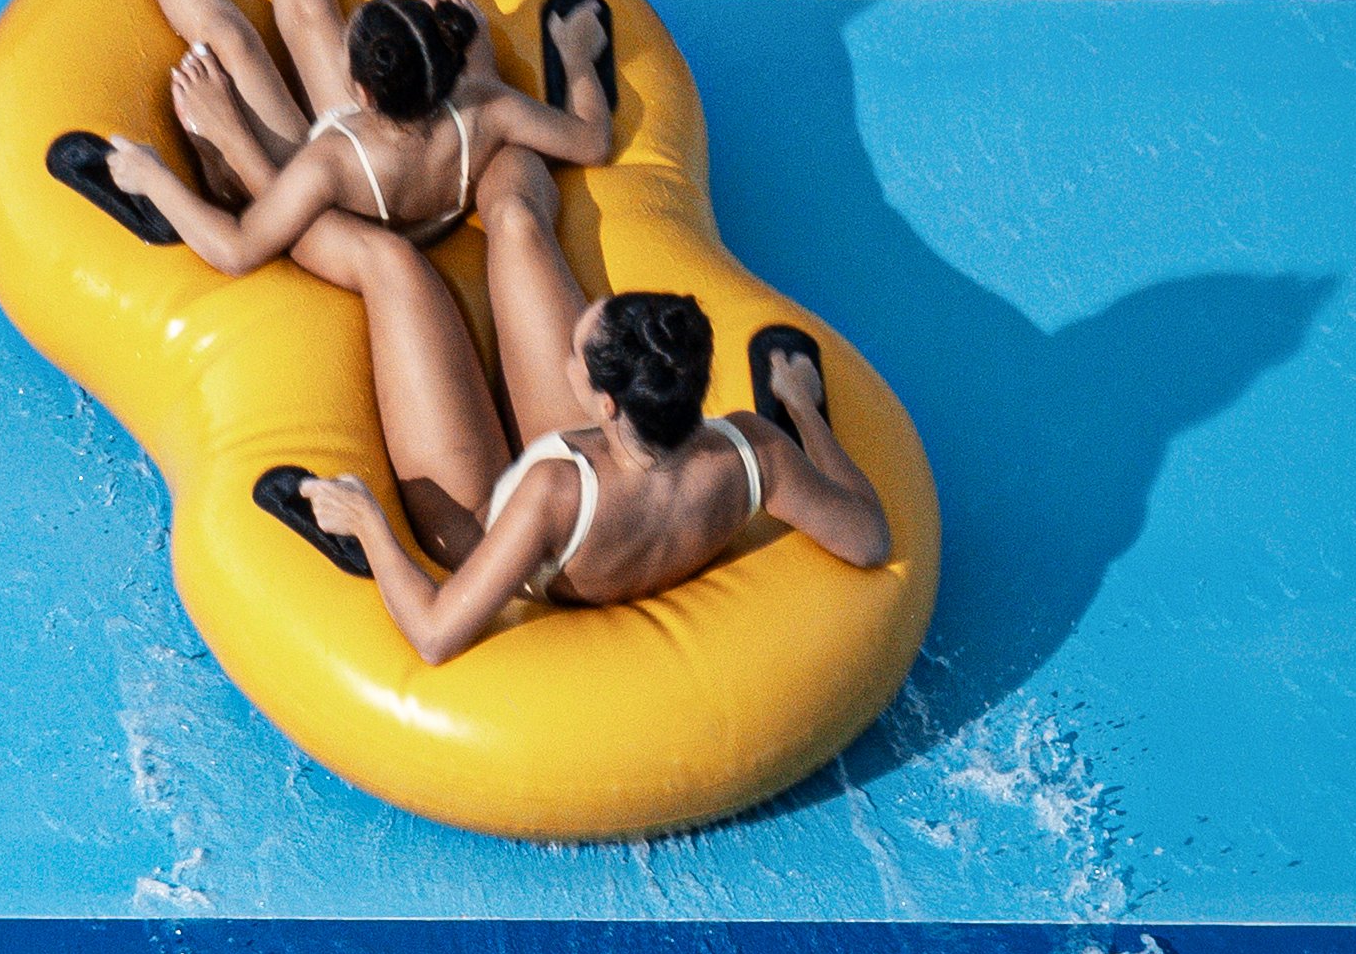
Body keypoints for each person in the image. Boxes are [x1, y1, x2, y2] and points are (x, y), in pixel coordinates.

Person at [36, 0, 619, 554]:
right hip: (423, 172)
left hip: (337, 207)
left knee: (232, 42)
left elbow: (241, 247)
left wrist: (160, 174)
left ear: (361, 86)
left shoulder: (330, 158)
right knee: (308, 2)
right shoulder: (485, 105)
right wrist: (579, 62)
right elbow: (592, 138)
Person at [252, 159, 893, 665]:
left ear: (606, 403)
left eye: (577, 357)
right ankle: (475, 141)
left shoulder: (551, 490)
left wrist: (368, 523)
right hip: (606, 490)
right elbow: (870, 538)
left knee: (391, 263)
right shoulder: (755, 452)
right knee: (519, 223)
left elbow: (434, 635)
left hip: (490, 527)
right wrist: (805, 412)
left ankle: (254, 182)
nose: (565, 357)